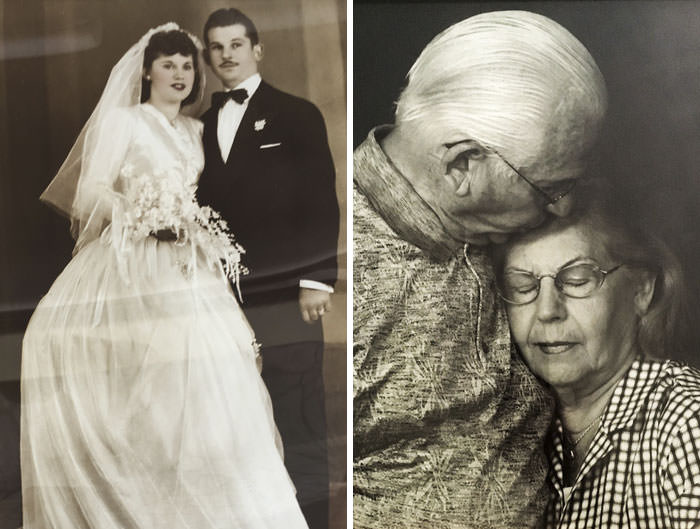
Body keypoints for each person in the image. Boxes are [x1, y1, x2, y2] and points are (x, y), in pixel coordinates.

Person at [21, 23, 308, 529]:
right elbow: (89, 194)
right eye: (168, 64)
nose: (179, 74)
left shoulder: (198, 131)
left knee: (210, 386)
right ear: (147, 70)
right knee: (148, 392)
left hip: (190, 269)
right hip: (131, 262)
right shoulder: (124, 123)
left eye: (186, 66)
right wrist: (143, 215)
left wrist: (194, 225)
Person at [353, 10, 607, 529]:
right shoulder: (332, 263)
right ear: (462, 166)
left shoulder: (512, 227)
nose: (563, 209)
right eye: (550, 188)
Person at [196, 8, 339, 529]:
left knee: (297, 415)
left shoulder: (296, 113)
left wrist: (316, 280)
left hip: (285, 294)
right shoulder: (201, 125)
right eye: (217, 46)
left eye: (237, 44)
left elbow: (321, 202)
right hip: (221, 298)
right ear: (208, 57)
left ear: (258, 50)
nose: (227, 54)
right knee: (239, 419)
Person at [495, 199, 700, 528]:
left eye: (577, 280)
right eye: (524, 287)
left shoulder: (686, 422)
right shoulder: (524, 432)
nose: (547, 310)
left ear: (642, 290)